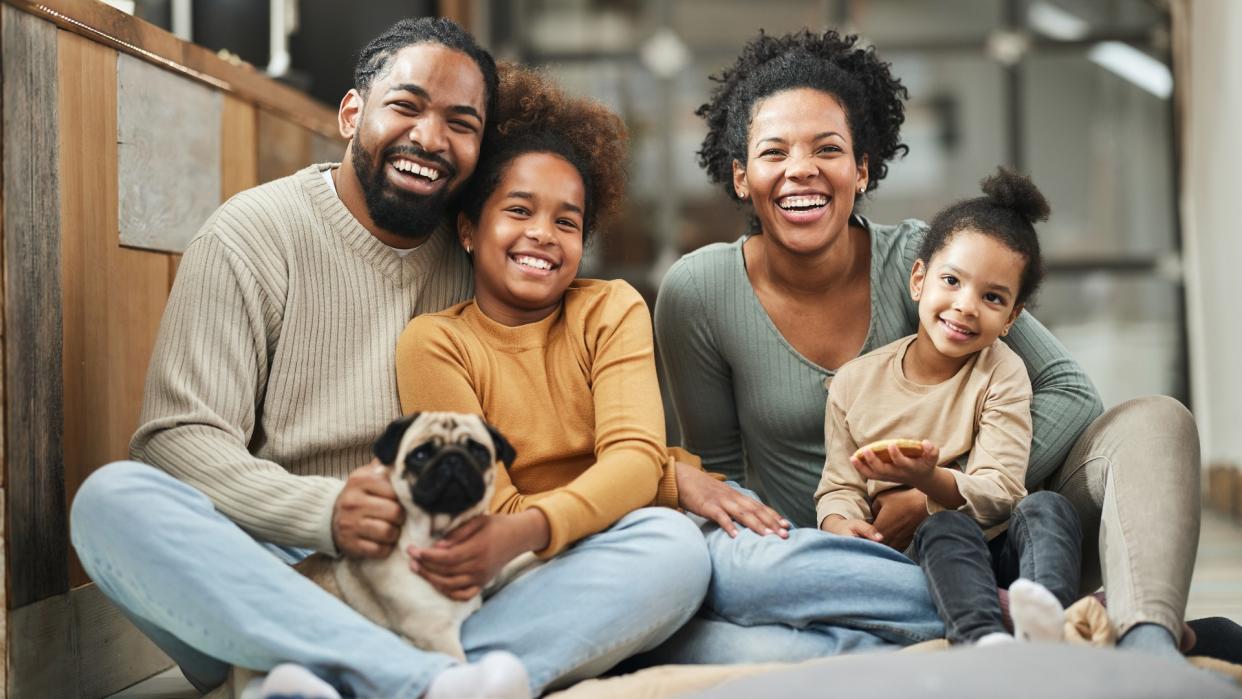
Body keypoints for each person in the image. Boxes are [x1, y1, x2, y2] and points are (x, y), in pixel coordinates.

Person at [67, 18, 707, 699]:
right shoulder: (250, 236)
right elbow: (177, 439)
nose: (430, 138)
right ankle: (421, 679)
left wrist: (665, 474)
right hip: (279, 563)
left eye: (460, 123)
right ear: (352, 113)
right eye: (406, 106)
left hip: (446, 569)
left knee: (671, 552)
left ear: (477, 149)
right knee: (111, 501)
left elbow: (560, 412)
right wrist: (324, 509)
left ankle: (309, 672)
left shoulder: (481, 255)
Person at [654, 28, 1200, 660]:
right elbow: (726, 480)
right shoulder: (698, 292)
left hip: (1005, 542)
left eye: (827, 149)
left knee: (1156, 421)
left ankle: (1151, 646)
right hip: (838, 568)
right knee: (740, 570)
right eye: (774, 151)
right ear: (742, 176)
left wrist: (937, 490)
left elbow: (1071, 392)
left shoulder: (930, 264)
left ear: (861, 169)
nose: (801, 168)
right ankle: (1031, 624)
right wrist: (839, 532)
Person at [393, 65, 711, 694]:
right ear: (467, 228)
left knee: (769, 570)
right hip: (546, 568)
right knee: (674, 551)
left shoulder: (610, 306)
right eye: (518, 210)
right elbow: (500, 518)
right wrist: (662, 481)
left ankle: (966, 606)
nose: (543, 233)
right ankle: (422, 681)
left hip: (624, 541)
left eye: (567, 222)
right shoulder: (435, 343)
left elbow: (632, 458)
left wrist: (645, 473)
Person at [817, 168, 1083, 646]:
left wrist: (928, 479)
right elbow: (838, 486)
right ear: (919, 280)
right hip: (930, 559)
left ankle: (1048, 626)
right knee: (944, 528)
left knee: (1048, 506)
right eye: (952, 280)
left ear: (1011, 318)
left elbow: (1002, 489)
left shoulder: (1002, 371)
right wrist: (840, 524)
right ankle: (983, 641)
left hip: (1001, 548)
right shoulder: (855, 383)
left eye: (992, 297)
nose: (965, 306)